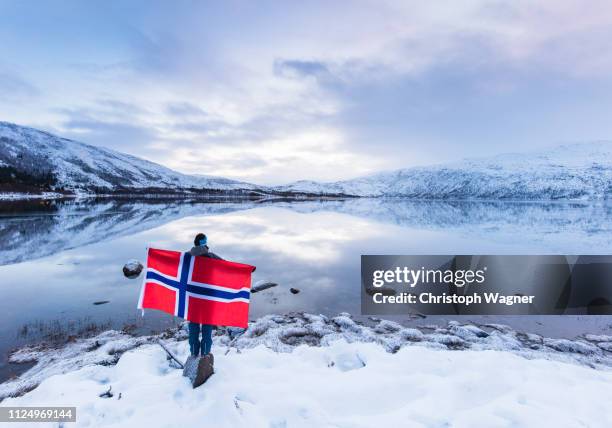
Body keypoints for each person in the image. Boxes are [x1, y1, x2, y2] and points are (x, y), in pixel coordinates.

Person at [188, 233, 222, 357]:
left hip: (193, 296)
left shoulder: (188, 256)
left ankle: (193, 353)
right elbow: (228, 267)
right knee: (207, 325)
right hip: (208, 295)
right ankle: (205, 354)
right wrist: (246, 270)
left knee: (193, 325)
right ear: (204, 243)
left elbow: (173, 263)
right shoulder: (211, 256)